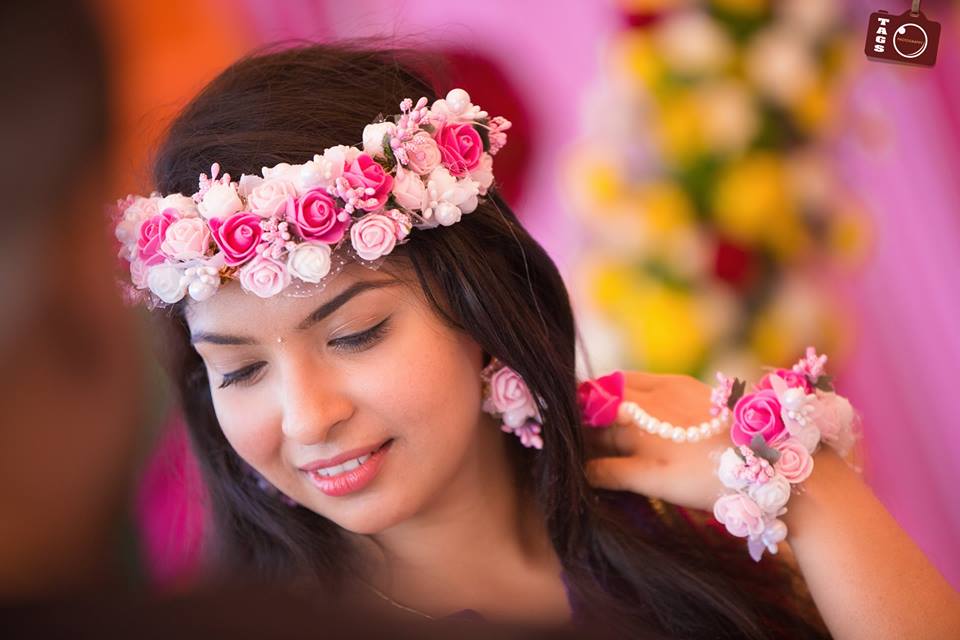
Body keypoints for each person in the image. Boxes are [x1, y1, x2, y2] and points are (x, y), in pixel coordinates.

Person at [115, 40, 960, 639]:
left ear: (478, 304)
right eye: (240, 370)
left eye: (355, 334)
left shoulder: (691, 519)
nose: (306, 418)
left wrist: (807, 496)